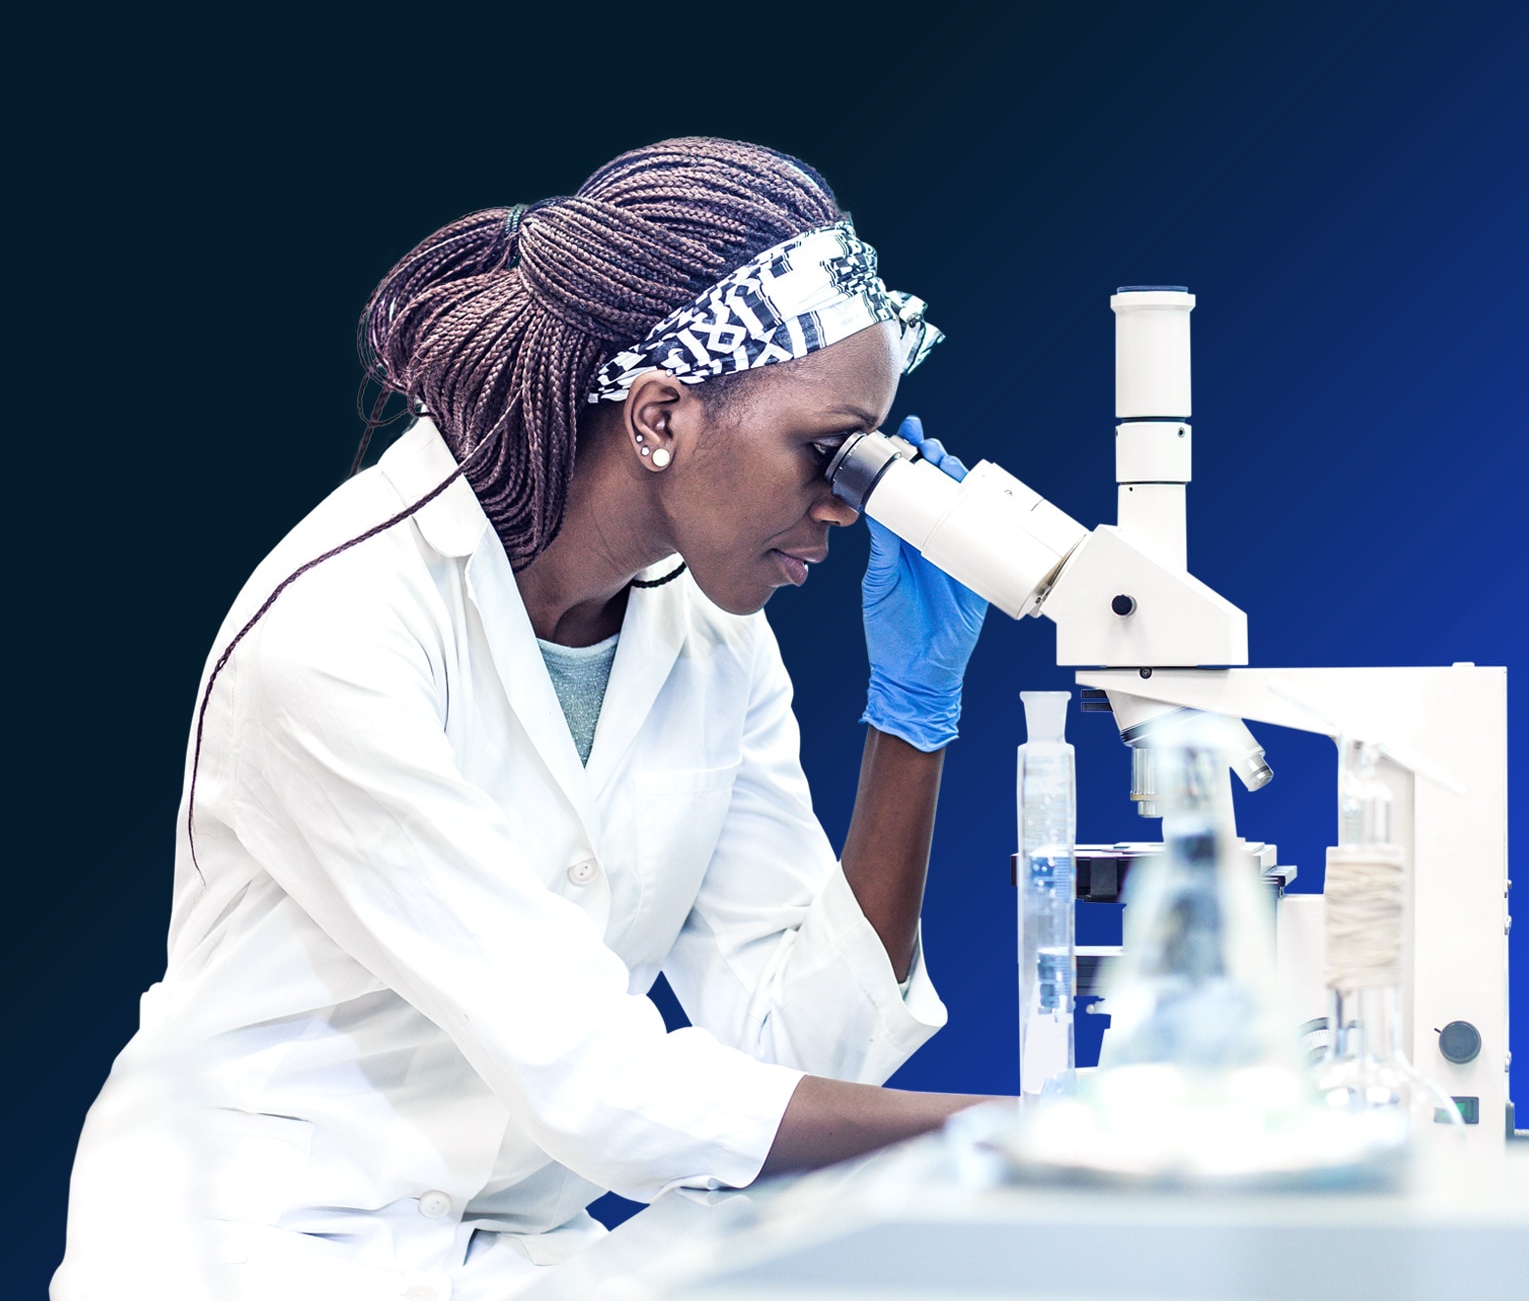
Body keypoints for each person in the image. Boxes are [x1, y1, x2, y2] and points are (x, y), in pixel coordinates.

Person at [54, 138, 995, 1300]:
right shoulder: (340, 631)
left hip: (514, 1252)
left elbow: (797, 1062)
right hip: (260, 1248)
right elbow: (602, 1086)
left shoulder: (709, 634)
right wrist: (1035, 1133)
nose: (843, 504)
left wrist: (913, 722)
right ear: (661, 415)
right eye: (827, 450)